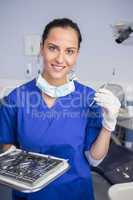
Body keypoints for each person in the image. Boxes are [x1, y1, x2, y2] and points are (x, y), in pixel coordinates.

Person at [0, 18, 120, 200]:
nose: (60, 59)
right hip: (31, 195)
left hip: (75, 192)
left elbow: (94, 158)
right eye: (53, 48)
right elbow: (7, 146)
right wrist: (16, 174)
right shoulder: (16, 98)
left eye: (69, 51)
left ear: (77, 54)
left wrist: (109, 125)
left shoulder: (88, 98)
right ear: (41, 48)